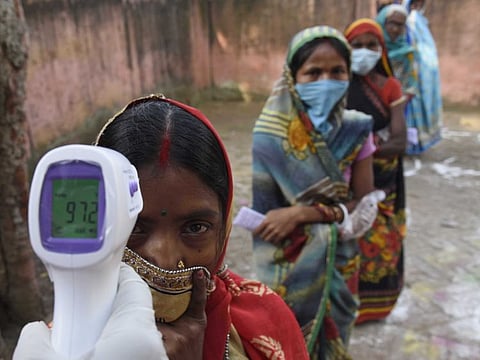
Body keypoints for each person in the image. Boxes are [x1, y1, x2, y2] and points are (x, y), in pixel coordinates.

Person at [95, 95, 309, 359]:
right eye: (135, 226)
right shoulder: (67, 343)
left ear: (224, 226)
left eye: (195, 227)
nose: (165, 259)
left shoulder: (264, 323)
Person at [251, 25, 383, 359]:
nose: (326, 81)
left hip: (341, 257)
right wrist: (293, 219)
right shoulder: (269, 136)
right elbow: (267, 217)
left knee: (337, 336)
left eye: (337, 71)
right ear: (293, 79)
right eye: (313, 72)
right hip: (289, 261)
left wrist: (303, 213)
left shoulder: (357, 129)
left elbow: (362, 202)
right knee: (290, 340)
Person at [344, 18, 407, 324]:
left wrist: (361, 151)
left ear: (382, 50)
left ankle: (375, 308)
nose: (364, 51)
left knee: (381, 242)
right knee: (347, 239)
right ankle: (344, 306)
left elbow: (399, 140)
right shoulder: (337, 85)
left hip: (383, 181)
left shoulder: (389, 86)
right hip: (344, 181)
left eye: (372, 45)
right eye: (357, 45)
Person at [402, 0, 443, 155]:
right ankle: (409, 144)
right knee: (411, 108)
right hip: (415, 74)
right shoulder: (412, 21)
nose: (417, 7)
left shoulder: (418, 20)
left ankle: (414, 143)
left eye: (419, 3)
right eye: (415, 3)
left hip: (424, 73)